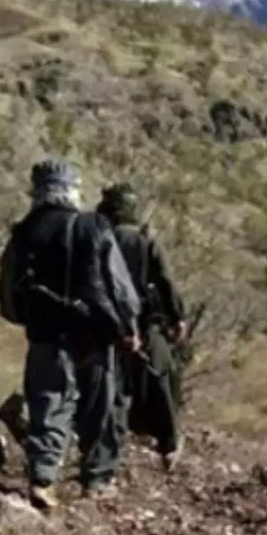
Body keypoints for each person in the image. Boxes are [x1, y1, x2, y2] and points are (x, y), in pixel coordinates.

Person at [0, 159, 142, 509]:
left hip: (45, 333)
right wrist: (128, 326)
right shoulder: (92, 225)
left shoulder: (24, 232)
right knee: (98, 406)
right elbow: (118, 285)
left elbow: (7, 292)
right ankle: (96, 479)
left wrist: (23, 317)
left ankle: (43, 478)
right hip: (93, 333)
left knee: (48, 402)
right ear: (72, 190)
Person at [96, 182, 187, 471]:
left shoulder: (98, 237)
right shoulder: (144, 241)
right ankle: (169, 445)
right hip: (144, 324)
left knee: (113, 387)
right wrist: (177, 316)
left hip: (105, 322)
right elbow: (165, 281)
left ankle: (110, 451)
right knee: (161, 379)